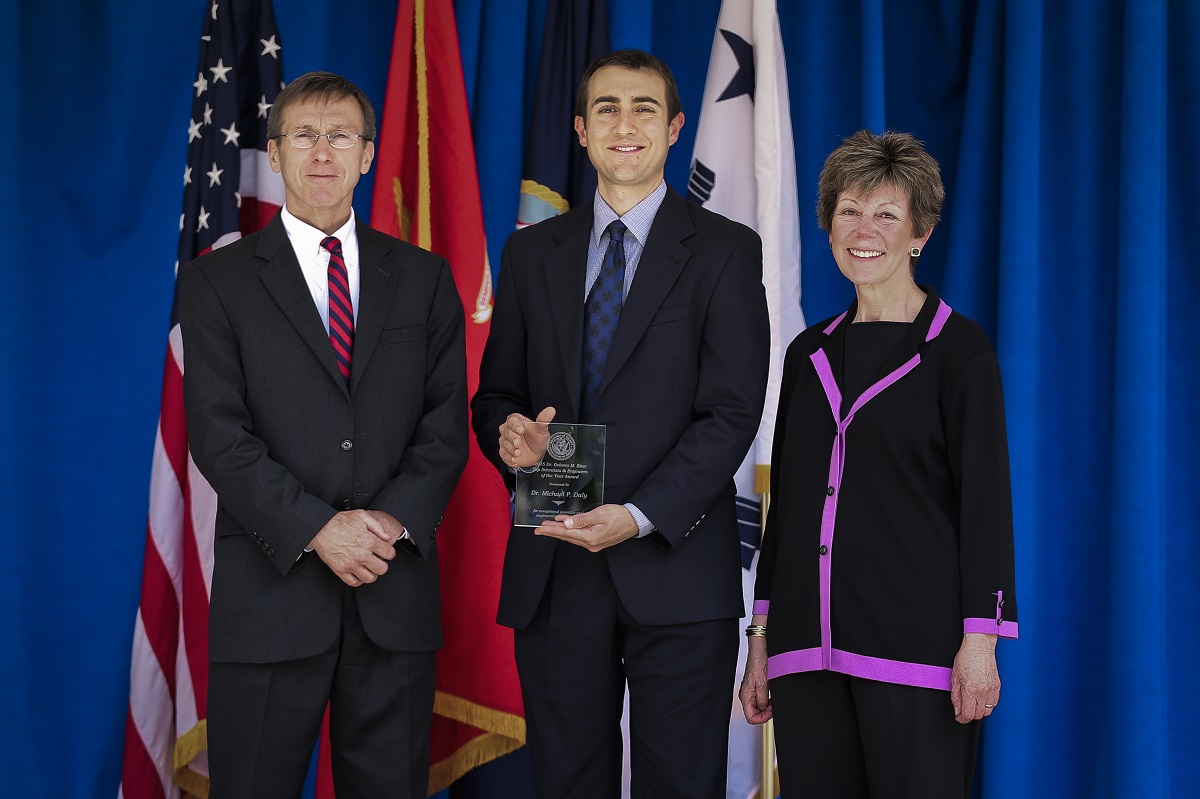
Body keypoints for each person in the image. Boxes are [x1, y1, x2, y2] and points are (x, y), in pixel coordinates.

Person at [471, 50, 770, 799]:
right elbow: (496, 396)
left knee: (680, 784)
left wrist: (639, 515)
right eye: (606, 107)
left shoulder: (727, 251)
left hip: (675, 565)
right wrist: (510, 438)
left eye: (643, 109)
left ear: (673, 129)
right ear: (580, 129)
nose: (624, 123)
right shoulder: (530, 252)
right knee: (567, 783)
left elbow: (730, 412)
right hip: (556, 567)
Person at [178, 71, 467, 798]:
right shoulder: (218, 282)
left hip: (391, 592)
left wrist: (384, 527)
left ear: (367, 154)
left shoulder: (426, 280)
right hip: (270, 600)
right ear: (274, 152)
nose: (322, 153)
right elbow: (218, 433)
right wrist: (318, 529)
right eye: (303, 135)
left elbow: (444, 425)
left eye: (340, 136)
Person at [739, 130, 1019, 798]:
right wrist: (761, 637)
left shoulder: (960, 351)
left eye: (887, 214)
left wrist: (980, 642)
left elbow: (986, 505)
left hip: (917, 654)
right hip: (807, 651)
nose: (864, 230)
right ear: (829, 225)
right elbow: (791, 508)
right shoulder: (806, 354)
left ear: (919, 233)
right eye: (849, 211)